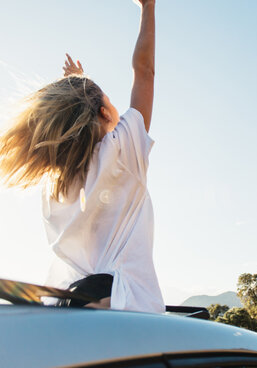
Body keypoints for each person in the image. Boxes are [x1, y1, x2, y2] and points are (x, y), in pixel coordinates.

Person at [0, 0, 166, 313]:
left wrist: (79, 85)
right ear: (104, 112)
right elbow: (144, 72)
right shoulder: (123, 153)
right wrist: (148, 7)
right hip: (124, 303)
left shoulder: (56, 179)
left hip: (70, 304)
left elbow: (89, 129)